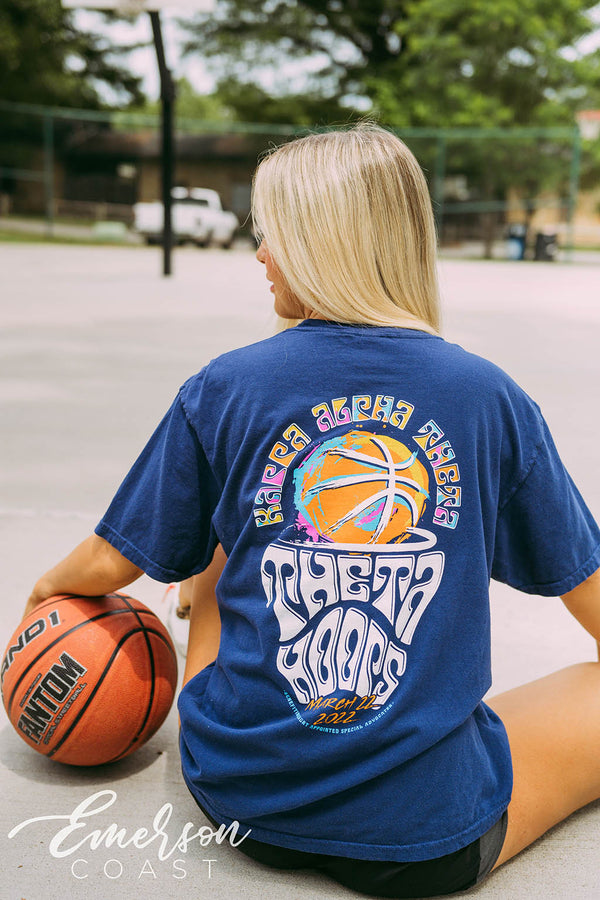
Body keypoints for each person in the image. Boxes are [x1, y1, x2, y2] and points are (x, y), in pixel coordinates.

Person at [25, 124, 600, 898]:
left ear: (324, 244)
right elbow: (591, 594)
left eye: (275, 233)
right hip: (423, 842)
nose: (261, 254)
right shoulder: (488, 399)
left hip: (241, 800)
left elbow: (108, 561)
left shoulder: (225, 387)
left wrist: (46, 591)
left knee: (224, 524)